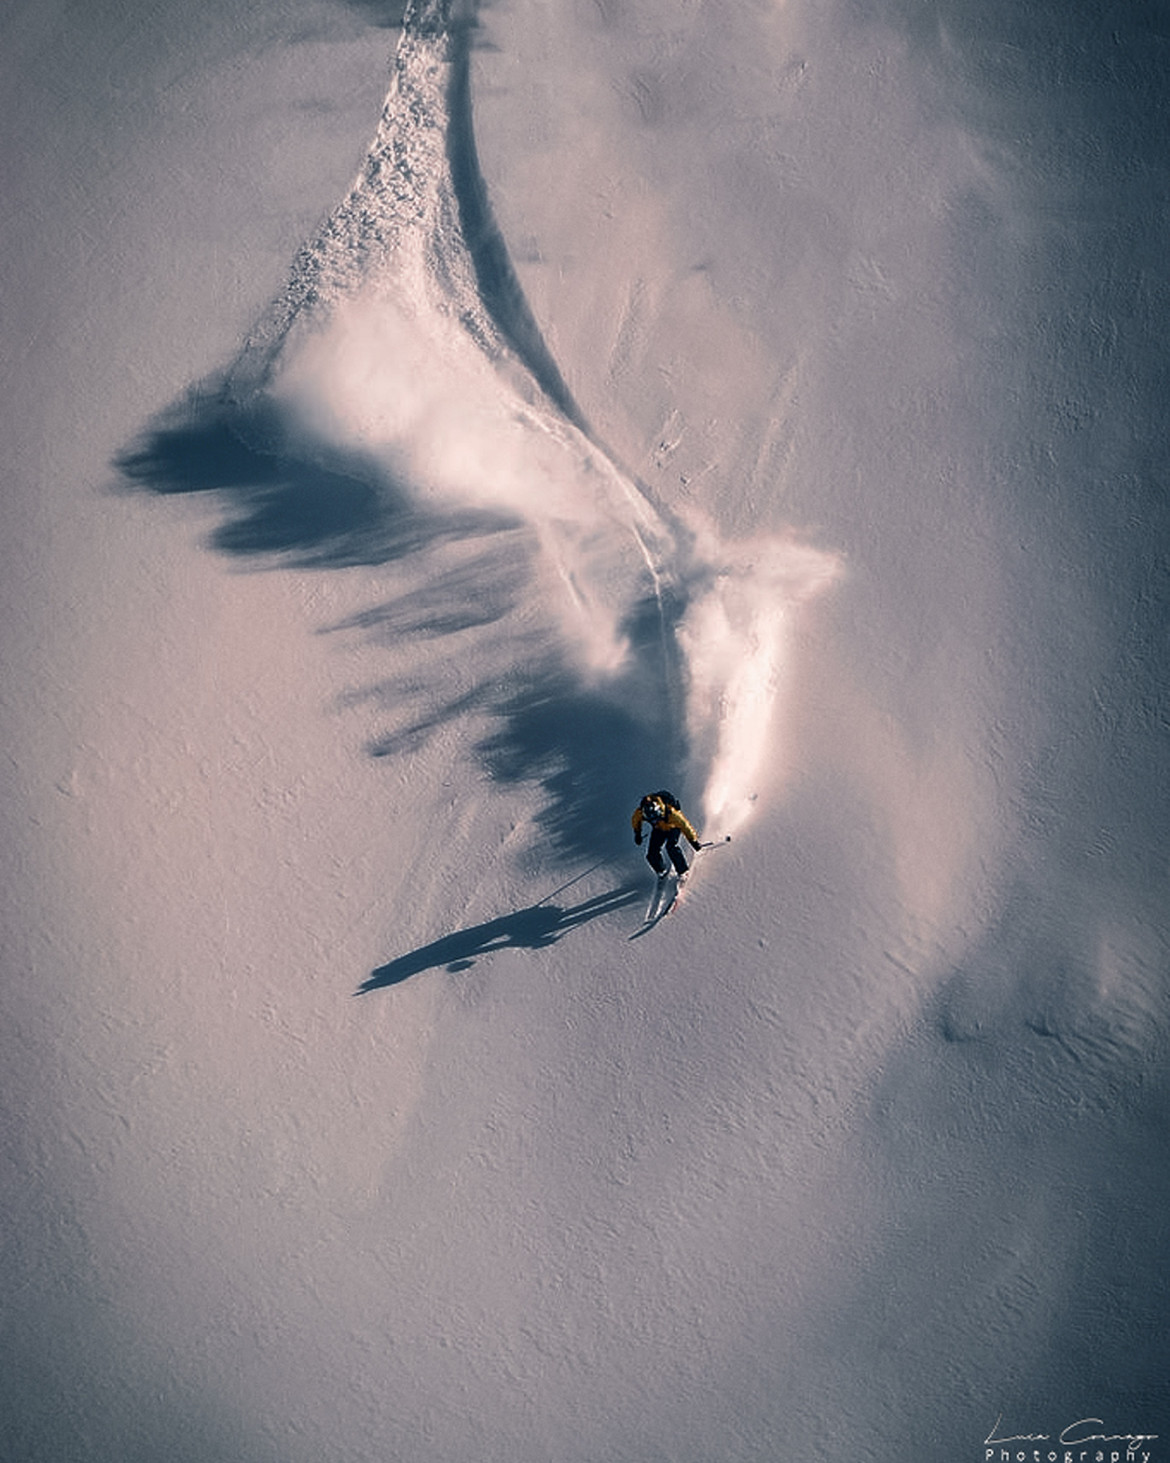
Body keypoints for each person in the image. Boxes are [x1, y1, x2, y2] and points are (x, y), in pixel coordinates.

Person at [632, 791, 701, 879]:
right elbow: (635, 820)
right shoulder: (641, 813)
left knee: (671, 847)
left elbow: (685, 826)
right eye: (652, 820)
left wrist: (693, 841)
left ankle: (683, 871)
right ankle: (661, 870)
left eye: (656, 818)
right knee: (651, 853)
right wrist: (637, 833)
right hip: (658, 829)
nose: (655, 821)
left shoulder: (672, 813)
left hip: (673, 827)